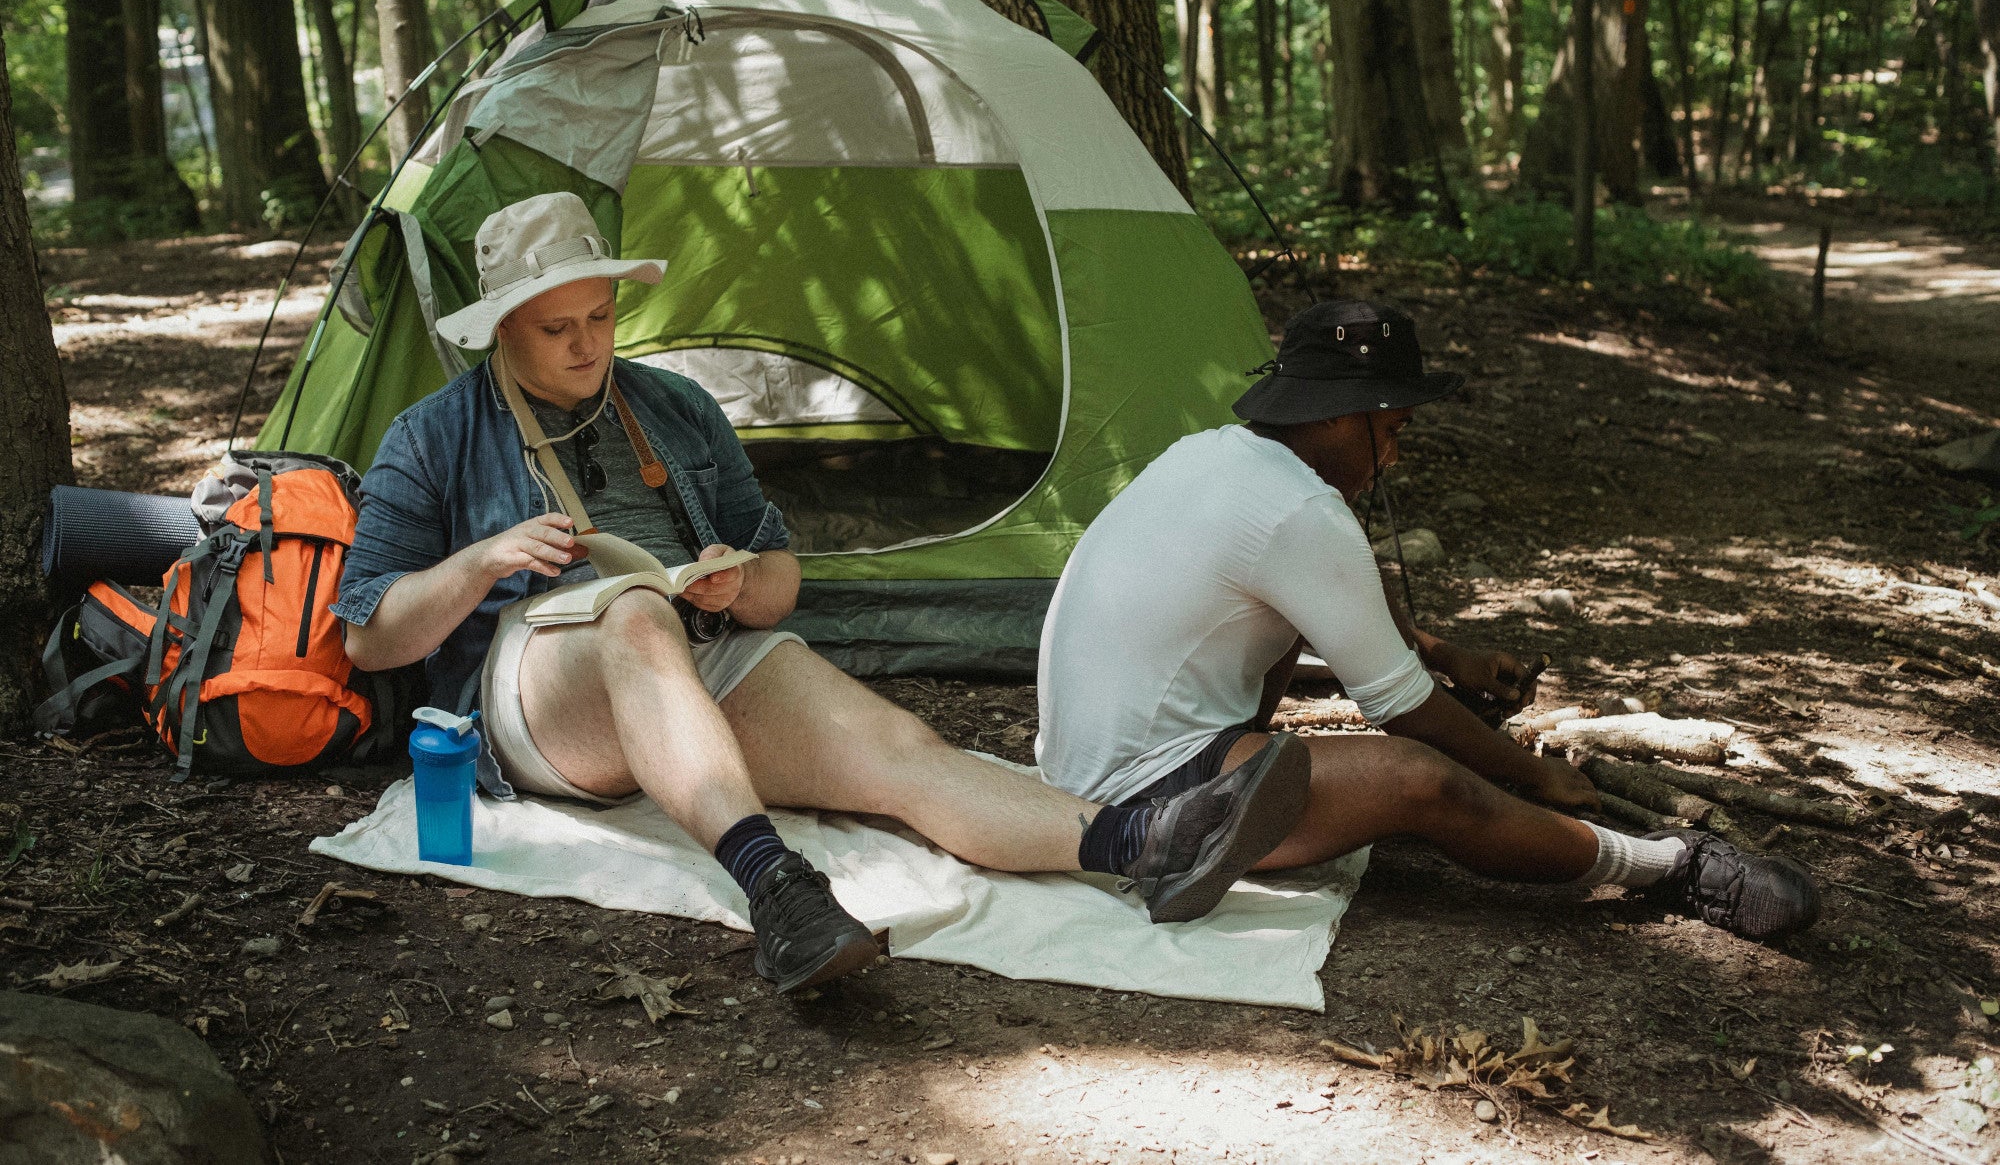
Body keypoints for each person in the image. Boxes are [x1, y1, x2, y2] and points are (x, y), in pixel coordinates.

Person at [332, 192, 1312, 995]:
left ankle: (1143, 838)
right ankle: (778, 890)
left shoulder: (671, 408)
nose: (587, 346)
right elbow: (370, 638)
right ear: (499, 327)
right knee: (631, 614)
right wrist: (482, 559)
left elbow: (778, 586)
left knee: (895, 750)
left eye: (600, 317)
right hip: (536, 694)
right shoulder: (433, 435)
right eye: (556, 329)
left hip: (685, 652)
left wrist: (741, 578)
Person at [1035, 298, 1821, 943]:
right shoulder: (1303, 511)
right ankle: (1665, 864)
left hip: (1073, 766)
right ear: (1348, 415)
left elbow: (1328, 584)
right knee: (1422, 777)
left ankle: (1228, 800)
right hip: (1141, 794)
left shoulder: (1215, 457)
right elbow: (1401, 710)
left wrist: (1445, 651)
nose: (1396, 457)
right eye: (1395, 429)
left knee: (1308, 634)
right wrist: (1532, 770)